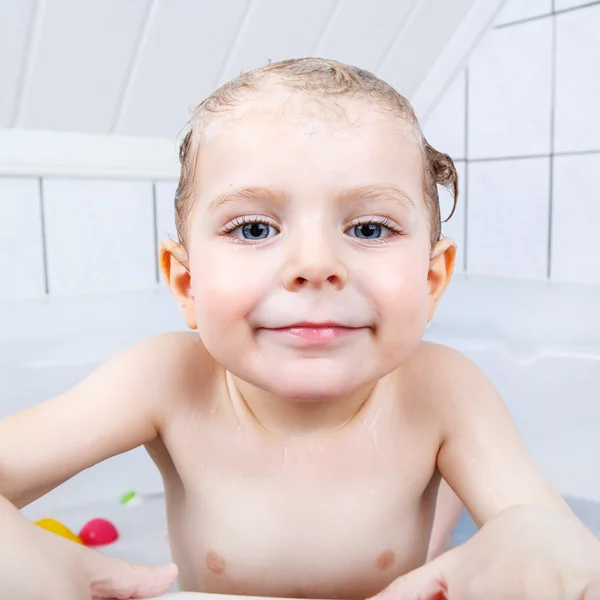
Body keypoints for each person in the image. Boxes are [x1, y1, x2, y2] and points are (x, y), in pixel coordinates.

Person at [1, 58, 599, 600]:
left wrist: (531, 541)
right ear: (187, 284)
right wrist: (30, 560)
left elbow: (557, 543)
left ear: (431, 278)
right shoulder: (163, 381)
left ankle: (445, 513)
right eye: (254, 229)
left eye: (369, 229)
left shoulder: (442, 391)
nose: (315, 265)